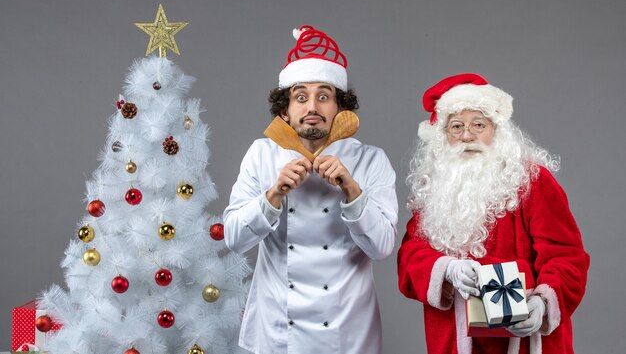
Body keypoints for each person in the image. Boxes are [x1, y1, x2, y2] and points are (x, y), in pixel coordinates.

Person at [224, 25, 398, 354]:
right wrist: (273, 195)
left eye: (324, 96)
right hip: (279, 329)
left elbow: (382, 247)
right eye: (300, 97)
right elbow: (234, 238)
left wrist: (351, 189)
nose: (312, 107)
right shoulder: (261, 155)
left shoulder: (370, 160)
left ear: (340, 108)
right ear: (284, 111)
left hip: (346, 329)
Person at [397, 74, 589, 354]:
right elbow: (410, 255)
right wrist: (448, 269)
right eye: (456, 126)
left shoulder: (533, 180)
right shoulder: (434, 189)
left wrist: (543, 303)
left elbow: (567, 256)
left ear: (496, 130)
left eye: (478, 125)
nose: (466, 136)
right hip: (457, 341)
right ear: (443, 136)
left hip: (522, 339)